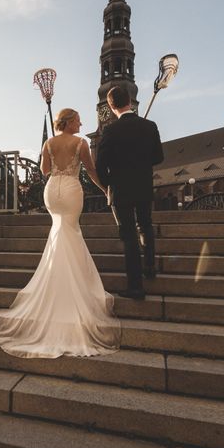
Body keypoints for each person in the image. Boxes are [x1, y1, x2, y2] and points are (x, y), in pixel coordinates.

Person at [0, 108, 121, 358]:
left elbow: (45, 170)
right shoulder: (80, 143)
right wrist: (105, 189)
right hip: (70, 189)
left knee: (60, 231)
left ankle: (59, 277)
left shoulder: (49, 142)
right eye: (78, 120)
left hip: (52, 191)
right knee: (71, 232)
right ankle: (73, 286)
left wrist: (56, 155)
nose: (82, 123)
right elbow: (90, 171)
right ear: (69, 123)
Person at [96, 86, 164, 300]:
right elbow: (158, 157)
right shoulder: (150, 126)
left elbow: (100, 164)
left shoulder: (110, 131)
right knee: (145, 225)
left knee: (129, 236)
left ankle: (135, 286)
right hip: (143, 185)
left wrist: (110, 184)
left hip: (120, 189)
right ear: (129, 101)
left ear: (111, 105)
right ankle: (150, 267)